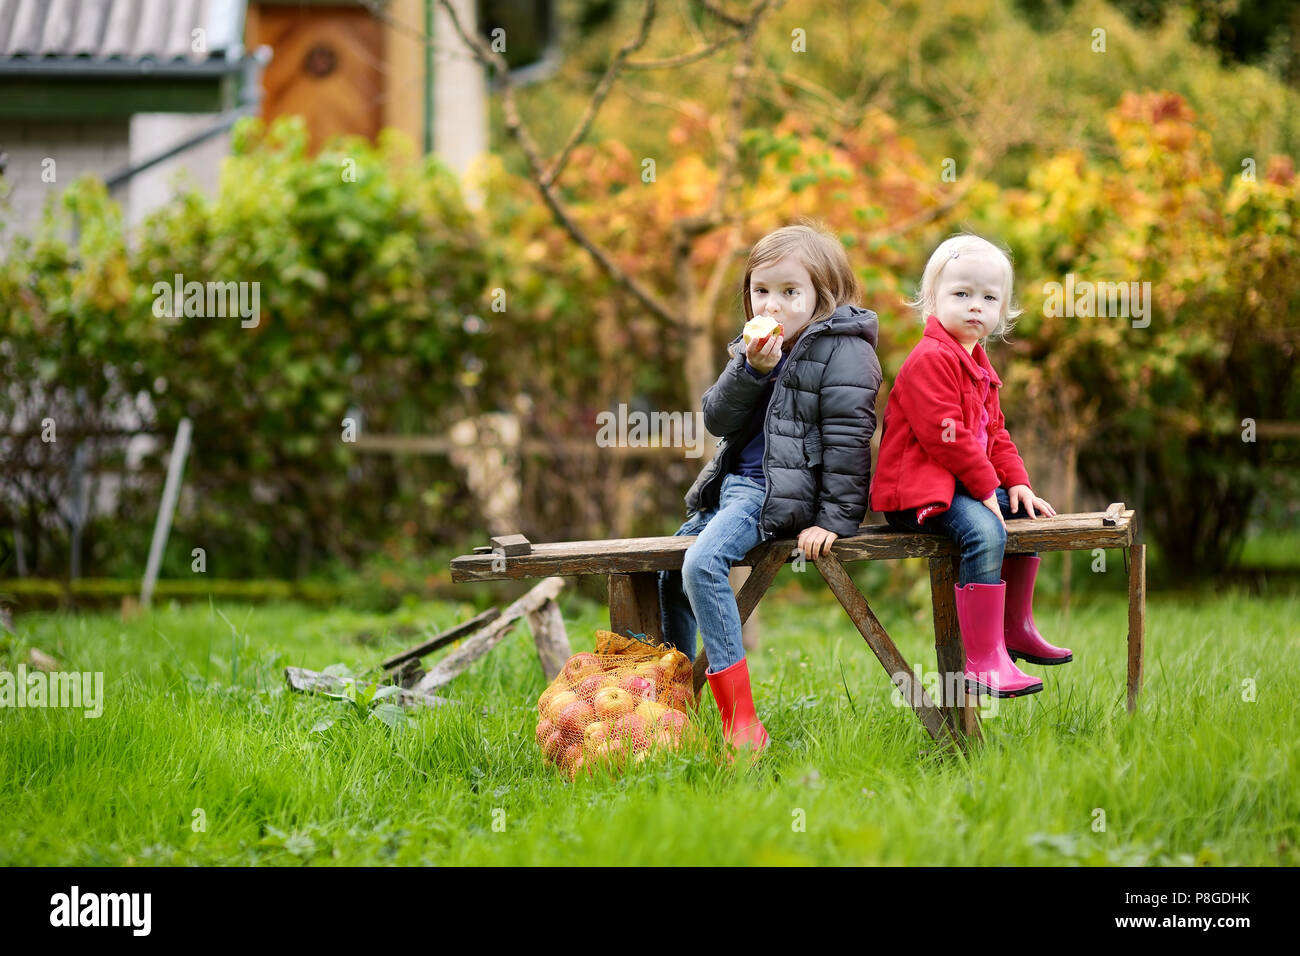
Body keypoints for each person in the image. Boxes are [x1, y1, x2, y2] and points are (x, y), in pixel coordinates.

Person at [658, 222, 882, 758]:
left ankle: (742, 726)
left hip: (776, 493)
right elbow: (716, 418)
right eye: (762, 291)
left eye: (790, 292)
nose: (774, 304)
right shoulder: (757, 347)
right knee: (667, 570)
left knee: (701, 564)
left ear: (822, 296)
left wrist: (833, 520)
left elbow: (851, 444)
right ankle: (669, 710)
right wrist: (751, 369)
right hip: (733, 487)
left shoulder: (845, 354)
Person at [871, 233, 1071, 699]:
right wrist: (985, 488)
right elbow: (949, 438)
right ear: (932, 301)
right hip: (918, 494)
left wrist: (1016, 482)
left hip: (958, 487)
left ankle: (1013, 628)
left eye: (988, 297)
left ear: (1003, 309)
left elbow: (995, 433)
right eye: (961, 294)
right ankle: (982, 659)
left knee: (1025, 513)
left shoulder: (977, 362)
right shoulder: (929, 360)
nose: (975, 306)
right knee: (985, 531)